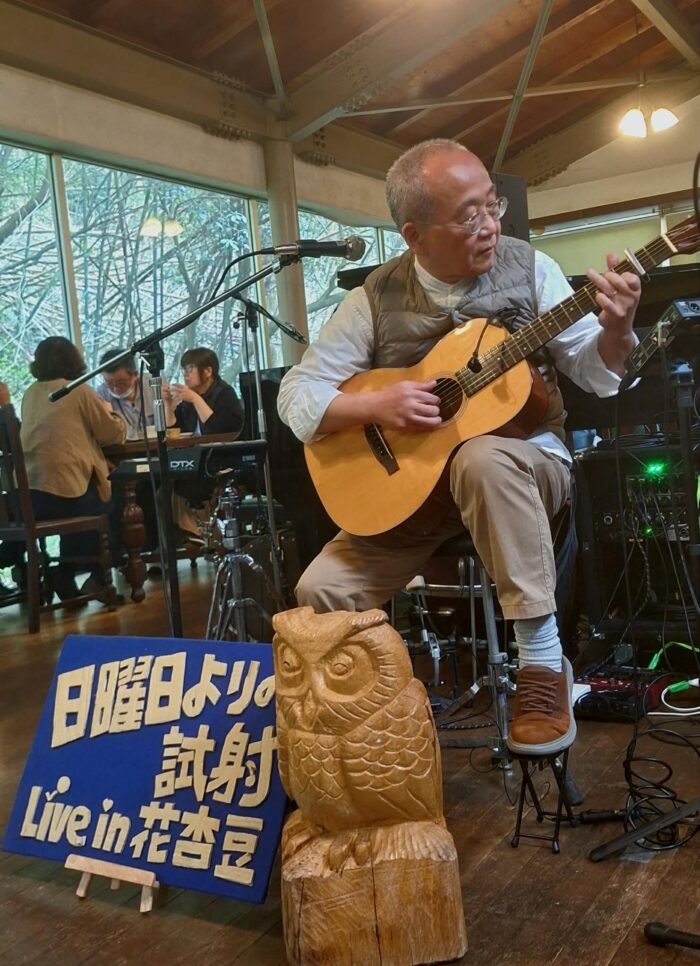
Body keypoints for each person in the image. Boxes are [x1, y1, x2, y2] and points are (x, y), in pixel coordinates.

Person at [277, 138, 641, 757]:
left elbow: (593, 369)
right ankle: (369, 734)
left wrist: (618, 329)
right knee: (321, 592)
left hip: (524, 465)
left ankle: (542, 665)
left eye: (491, 206)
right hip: (417, 492)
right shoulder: (373, 297)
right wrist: (376, 405)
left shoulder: (532, 268)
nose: (490, 225)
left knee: (482, 456)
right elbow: (297, 393)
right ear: (414, 235)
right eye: (468, 216)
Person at [15, 337, 126, 600]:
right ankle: (98, 579)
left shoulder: (30, 394)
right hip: (66, 498)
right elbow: (111, 434)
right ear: (73, 361)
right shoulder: (77, 390)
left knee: (79, 488)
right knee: (113, 501)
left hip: (30, 498)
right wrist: (112, 413)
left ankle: (64, 574)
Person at [165, 347, 244, 535]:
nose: (185, 375)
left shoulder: (224, 393)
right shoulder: (189, 399)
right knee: (161, 486)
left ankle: (197, 533)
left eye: (190, 369)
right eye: (184, 370)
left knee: (180, 484)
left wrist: (195, 399)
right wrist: (167, 403)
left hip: (221, 460)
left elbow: (218, 429)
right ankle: (183, 535)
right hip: (195, 458)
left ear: (208, 371)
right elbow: (175, 431)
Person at [95, 348, 156, 440]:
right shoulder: (101, 394)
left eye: (121, 383)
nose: (115, 389)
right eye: (109, 383)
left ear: (135, 375)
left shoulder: (153, 385)